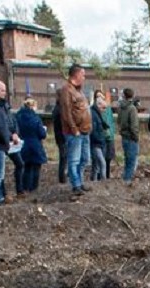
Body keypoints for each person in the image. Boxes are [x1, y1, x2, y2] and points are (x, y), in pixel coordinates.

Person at [57, 64, 92, 197]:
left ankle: (80, 182)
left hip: (84, 131)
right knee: (74, 160)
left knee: (85, 159)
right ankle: (76, 185)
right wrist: (74, 129)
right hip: (74, 133)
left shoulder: (79, 91)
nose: (84, 77)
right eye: (83, 74)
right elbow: (66, 112)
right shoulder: (67, 90)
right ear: (76, 75)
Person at [0, 81, 24, 201]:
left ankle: (20, 190)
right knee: (0, 169)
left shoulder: (6, 106)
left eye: (5, 90)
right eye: (2, 90)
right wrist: (11, 135)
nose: (4, 93)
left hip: (12, 141)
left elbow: (13, 120)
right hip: (1, 142)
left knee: (20, 163)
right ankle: (2, 193)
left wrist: (16, 132)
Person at [16, 97, 47, 197]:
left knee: (26, 167)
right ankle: (34, 188)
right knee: (36, 167)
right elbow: (42, 134)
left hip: (23, 145)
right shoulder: (36, 118)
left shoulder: (18, 117)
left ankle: (25, 187)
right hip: (35, 145)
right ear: (33, 106)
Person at [116, 88, 140, 185]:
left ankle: (125, 178)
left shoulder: (121, 108)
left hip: (124, 136)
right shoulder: (132, 108)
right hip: (131, 137)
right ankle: (127, 180)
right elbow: (134, 125)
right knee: (131, 161)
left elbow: (118, 121)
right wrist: (136, 136)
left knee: (127, 159)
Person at [95, 91, 116, 178]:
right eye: (97, 96)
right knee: (101, 158)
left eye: (101, 96)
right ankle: (100, 176)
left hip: (109, 137)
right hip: (101, 137)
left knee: (108, 157)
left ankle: (106, 175)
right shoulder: (95, 110)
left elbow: (111, 122)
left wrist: (111, 133)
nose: (100, 98)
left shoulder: (108, 109)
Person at [90, 95, 109, 181]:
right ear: (99, 105)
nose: (104, 111)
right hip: (96, 143)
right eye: (104, 108)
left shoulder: (97, 113)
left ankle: (94, 180)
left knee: (96, 164)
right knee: (102, 163)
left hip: (98, 142)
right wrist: (101, 139)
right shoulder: (94, 115)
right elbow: (93, 131)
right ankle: (103, 181)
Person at [52, 103, 67, 184]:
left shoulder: (57, 109)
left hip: (60, 137)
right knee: (64, 158)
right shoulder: (60, 110)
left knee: (63, 158)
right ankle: (62, 179)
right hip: (62, 138)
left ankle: (62, 178)